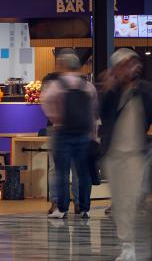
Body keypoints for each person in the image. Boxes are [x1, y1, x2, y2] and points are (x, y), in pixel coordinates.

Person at [99, 49, 152, 261]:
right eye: (123, 65)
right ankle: (127, 245)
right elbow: (102, 115)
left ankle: (136, 243)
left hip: (136, 156)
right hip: (113, 156)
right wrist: (108, 90)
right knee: (120, 203)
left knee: (133, 200)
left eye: (131, 64)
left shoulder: (145, 90)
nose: (128, 68)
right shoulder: (112, 92)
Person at [40, 53, 98, 219]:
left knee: (62, 172)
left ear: (62, 66)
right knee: (83, 172)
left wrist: (55, 118)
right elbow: (93, 111)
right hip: (83, 133)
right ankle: (85, 208)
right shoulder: (88, 86)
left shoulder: (56, 85)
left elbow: (45, 102)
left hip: (62, 132)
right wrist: (92, 134)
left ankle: (62, 209)